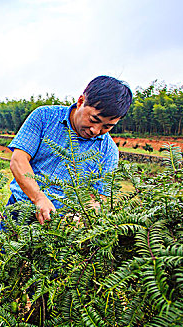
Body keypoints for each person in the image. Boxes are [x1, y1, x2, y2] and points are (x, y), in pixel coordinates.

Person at [7, 75, 133, 225]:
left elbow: (100, 197)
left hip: (60, 227)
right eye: (94, 120)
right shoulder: (44, 117)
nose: (95, 130)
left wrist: (81, 216)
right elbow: (18, 160)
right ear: (81, 102)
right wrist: (38, 198)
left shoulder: (108, 151)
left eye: (107, 127)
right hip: (19, 211)